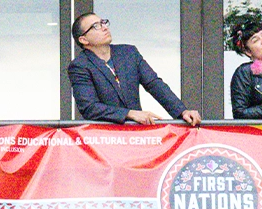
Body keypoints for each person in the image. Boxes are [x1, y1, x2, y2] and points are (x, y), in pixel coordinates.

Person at [66, 13, 202, 126]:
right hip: (105, 139)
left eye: (103, 22)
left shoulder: (129, 53)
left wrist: (182, 112)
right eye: (96, 26)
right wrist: (129, 114)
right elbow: (90, 108)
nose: (104, 28)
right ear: (83, 39)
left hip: (136, 136)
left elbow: (155, 85)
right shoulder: (79, 66)